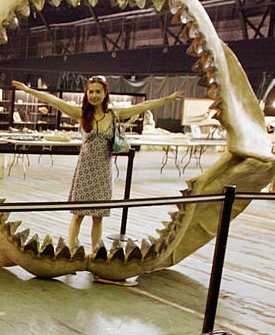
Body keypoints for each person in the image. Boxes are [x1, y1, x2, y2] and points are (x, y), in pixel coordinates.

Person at [11, 76, 180, 251]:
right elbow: (54, 100)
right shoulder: (82, 114)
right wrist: (27, 90)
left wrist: (168, 99)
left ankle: (95, 251)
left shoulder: (114, 115)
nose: (93, 95)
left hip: (103, 171)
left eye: (97, 91)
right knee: (78, 214)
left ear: (105, 93)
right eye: (91, 91)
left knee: (98, 216)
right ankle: (70, 250)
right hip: (85, 170)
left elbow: (143, 106)